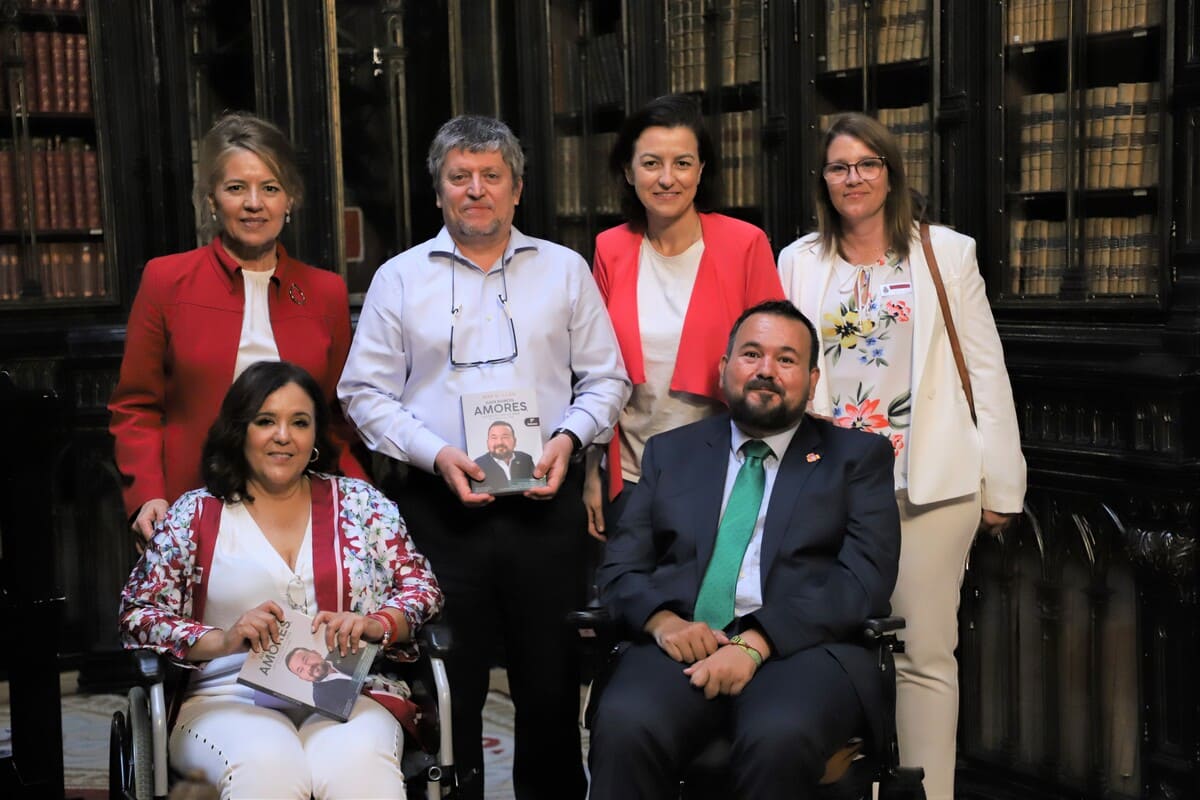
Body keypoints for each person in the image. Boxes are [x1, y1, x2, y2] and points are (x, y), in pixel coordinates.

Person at [337, 114, 630, 800]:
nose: (476, 191)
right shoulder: (398, 279)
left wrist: (568, 440)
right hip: (439, 510)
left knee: (551, 685)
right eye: (459, 177)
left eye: (490, 176)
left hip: (544, 504)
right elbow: (363, 394)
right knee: (446, 688)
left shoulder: (565, 270)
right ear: (437, 192)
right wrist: (435, 453)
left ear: (517, 188)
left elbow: (607, 379)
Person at [777, 112, 1027, 800]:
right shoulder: (798, 261)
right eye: (838, 167)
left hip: (931, 485)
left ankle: (928, 793)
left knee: (924, 654)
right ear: (823, 181)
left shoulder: (945, 252)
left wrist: (1002, 482)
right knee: (830, 647)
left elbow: (987, 366)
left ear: (890, 172)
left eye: (867, 164)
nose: (853, 178)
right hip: (829, 485)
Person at [588, 300, 900, 799]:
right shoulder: (673, 452)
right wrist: (664, 624)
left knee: (778, 736)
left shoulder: (857, 459)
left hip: (803, 650)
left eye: (786, 359)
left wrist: (754, 643)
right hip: (683, 641)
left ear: (813, 378)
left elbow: (863, 580)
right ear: (724, 368)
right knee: (626, 723)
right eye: (751, 354)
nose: (765, 371)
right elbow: (620, 568)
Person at [119, 361, 442, 800]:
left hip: (345, 690)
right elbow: (138, 613)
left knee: (361, 766)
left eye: (300, 422)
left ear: (314, 437)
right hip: (224, 696)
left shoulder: (362, 505)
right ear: (240, 431)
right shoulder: (195, 515)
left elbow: (422, 589)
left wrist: (378, 623)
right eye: (266, 421)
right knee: (270, 767)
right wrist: (223, 639)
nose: (283, 436)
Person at [109, 111, 367, 541]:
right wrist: (147, 495)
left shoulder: (326, 291)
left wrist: (358, 496)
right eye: (235, 188)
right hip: (191, 511)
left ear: (290, 199)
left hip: (303, 514)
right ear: (212, 200)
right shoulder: (165, 280)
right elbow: (135, 407)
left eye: (270, 188)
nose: (254, 203)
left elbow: (338, 418)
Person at [585, 94, 784, 539]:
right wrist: (592, 473)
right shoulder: (609, 248)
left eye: (683, 163)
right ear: (628, 171)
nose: (667, 179)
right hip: (631, 475)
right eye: (652, 163)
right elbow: (593, 367)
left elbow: (777, 360)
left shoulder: (744, 245)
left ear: (701, 171)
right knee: (636, 604)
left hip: (724, 473)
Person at [286, 647, 360, 714]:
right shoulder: (321, 701)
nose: (308, 667)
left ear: (316, 653)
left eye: (306, 659)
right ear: (302, 678)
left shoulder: (340, 652)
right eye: (301, 670)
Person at [473, 420, 535, 487]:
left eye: (505, 437)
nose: (499, 442)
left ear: (514, 441)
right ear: (487, 442)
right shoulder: (478, 465)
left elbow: (535, 485)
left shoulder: (526, 459)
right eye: (494, 438)